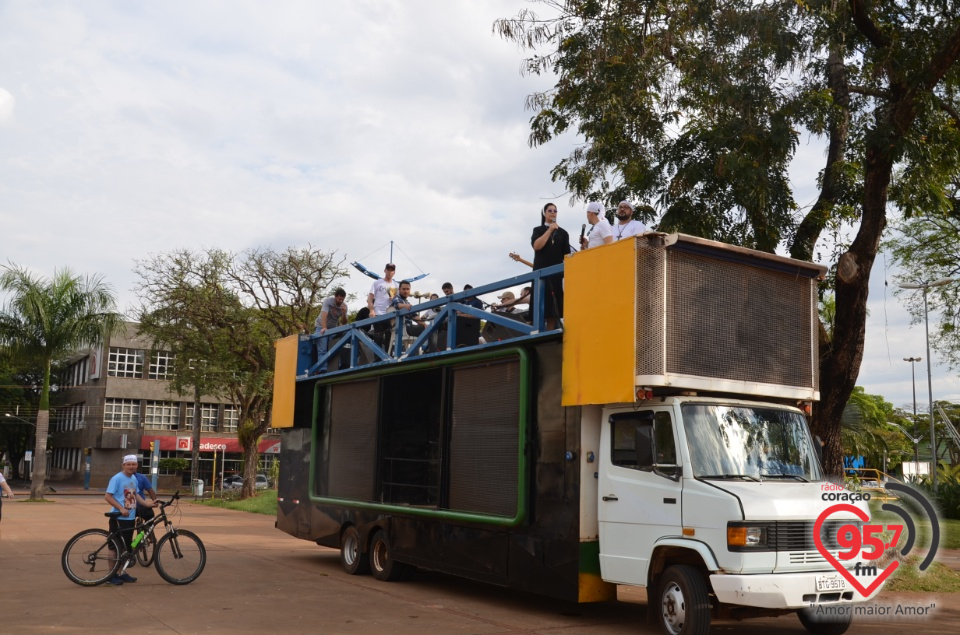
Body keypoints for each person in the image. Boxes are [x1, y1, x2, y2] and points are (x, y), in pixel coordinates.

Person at [104, 454, 156, 585]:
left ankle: (121, 573)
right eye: (128, 464)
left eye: (133, 464)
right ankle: (111, 575)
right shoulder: (117, 478)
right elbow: (108, 497)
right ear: (123, 465)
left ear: (137, 465)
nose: (131, 466)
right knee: (114, 547)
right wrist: (121, 509)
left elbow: (136, 495)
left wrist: (147, 504)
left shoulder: (133, 478)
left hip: (130, 518)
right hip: (118, 517)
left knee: (125, 548)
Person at [531, 202, 572, 329]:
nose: (553, 212)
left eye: (555, 210)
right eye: (550, 210)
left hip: (556, 273)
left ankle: (550, 332)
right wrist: (550, 230)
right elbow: (537, 246)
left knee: (553, 307)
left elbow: (567, 255)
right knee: (539, 303)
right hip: (541, 272)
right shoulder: (538, 230)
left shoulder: (563, 233)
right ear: (544, 213)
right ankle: (538, 331)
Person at [314, 287, 349, 372]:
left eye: (342, 299)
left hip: (333, 328)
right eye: (339, 299)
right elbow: (324, 315)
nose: (340, 301)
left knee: (334, 348)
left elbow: (344, 322)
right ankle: (323, 369)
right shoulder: (328, 301)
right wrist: (324, 327)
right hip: (321, 326)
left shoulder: (344, 306)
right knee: (322, 349)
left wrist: (344, 312)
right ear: (335, 297)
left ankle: (336, 367)